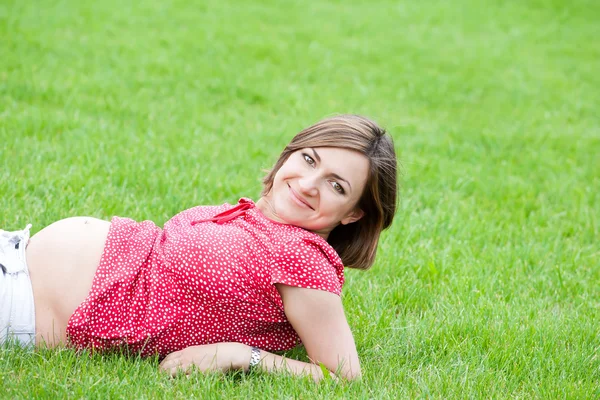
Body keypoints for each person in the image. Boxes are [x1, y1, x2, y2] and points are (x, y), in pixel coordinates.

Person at [0, 114, 398, 381]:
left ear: (354, 214)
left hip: (23, 302)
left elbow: (342, 373)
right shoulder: (255, 217)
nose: (310, 183)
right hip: (16, 251)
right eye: (309, 159)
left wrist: (240, 355)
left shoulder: (302, 259)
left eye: (336, 185)